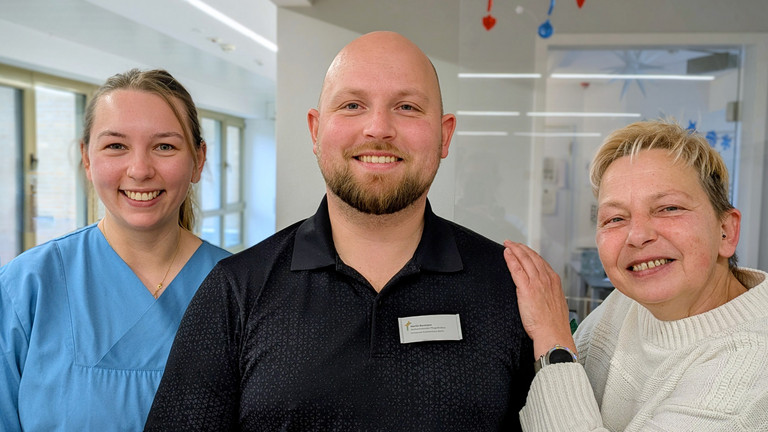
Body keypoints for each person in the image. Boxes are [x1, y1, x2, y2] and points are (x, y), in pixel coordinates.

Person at [145, 31, 534, 431]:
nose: (379, 128)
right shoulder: (236, 290)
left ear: (444, 134)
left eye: (407, 106)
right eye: (352, 105)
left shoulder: (511, 289)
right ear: (316, 131)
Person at [0, 69, 230, 431]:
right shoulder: (28, 286)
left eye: (165, 146)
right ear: (87, 160)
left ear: (198, 161)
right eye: (116, 146)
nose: (139, 170)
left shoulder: (246, 288)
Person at [504, 120, 768, 431]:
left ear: (725, 231)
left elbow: (559, 368)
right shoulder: (627, 303)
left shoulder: (750, 367)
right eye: (615, 218)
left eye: (669, 208)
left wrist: (553, 341)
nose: (637, 235)